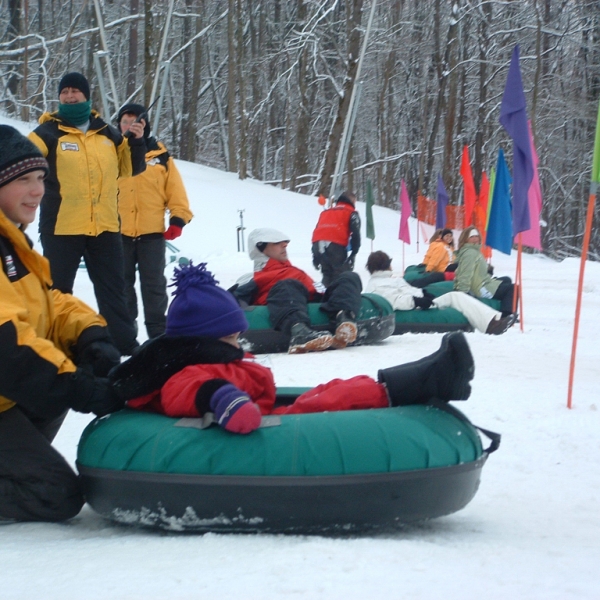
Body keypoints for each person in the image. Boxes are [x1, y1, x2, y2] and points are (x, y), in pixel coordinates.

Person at [112, 262, 475, 435]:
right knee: (332, 400)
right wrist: (224, 400)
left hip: (266, 406)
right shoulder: (188, 370)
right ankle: (423, 381)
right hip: (261, 422)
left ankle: (417, 378)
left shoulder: (212, 358)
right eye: (230, 339)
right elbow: (188, 390)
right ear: (201, 342)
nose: (238, 344)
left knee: (331, 389)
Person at [0, 126, 125, 523]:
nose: (37, 191)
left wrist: (91, 336)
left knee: (68, 370)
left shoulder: (13, 243)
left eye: (40, 179)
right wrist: (76, 388)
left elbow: (48, 304)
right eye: (23, 180)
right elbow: (6, 343)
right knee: (57, 496)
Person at [29, 72, 147, 356]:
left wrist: (137, 142)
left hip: (105, 227)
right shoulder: (46, 132)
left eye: (75, 91)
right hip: (62, 227)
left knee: (114, 291)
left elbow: (130, 168)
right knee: (57, 293)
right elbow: (24, 160)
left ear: (86, 95)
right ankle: (53, 346)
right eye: (65, 92)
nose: (69, 96)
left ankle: (124, 344)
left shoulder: (107, 133)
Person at [116, 103, 194, 339]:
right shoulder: (112, 152)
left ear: (144, 125)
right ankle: (126, 339)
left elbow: (176, 191)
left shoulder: (160, 155)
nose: (130, 126)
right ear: (119, 124)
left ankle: (158, 337)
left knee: (154, 288)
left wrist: (178, 219)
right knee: (121, 288)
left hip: (152, 234)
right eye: (125, 121)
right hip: (118, 234)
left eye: (135, 122)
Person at [231, 228, 362, 354]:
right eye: (277, 243)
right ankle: (299, 332)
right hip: (287, 304)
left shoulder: (293, 270)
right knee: (288, 285)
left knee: (349, 277)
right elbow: (232, 299)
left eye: (285, 243)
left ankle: (344, 320)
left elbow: (320, 289)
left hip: (318, 300)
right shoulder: (255, 278)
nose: (284, 245)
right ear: (261, 248)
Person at [365, 251, 516, 335]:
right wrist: (417, 301)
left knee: (455, 296)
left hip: (418, 302)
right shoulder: (377, 285)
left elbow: (407, 290)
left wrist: (423, 293)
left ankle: (496, 318)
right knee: (456, 297)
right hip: (414, 308)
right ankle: (491, 325)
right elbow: (393, 300)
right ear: (386, 265)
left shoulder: (388, 280)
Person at [454, 226, 517, 318]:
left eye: (476, 236)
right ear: (465, 239)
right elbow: (465, 273)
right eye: (471, 237)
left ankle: (500, 308)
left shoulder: (475, 251)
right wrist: (463, 293)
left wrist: (487, 269)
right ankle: (506, 315)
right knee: (513, 288)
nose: (475, 238)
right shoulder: (470, 253)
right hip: (480, 288)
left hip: (483, 281)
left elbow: (476, 270)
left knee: (506, 280)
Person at [311, 191, 361, 287]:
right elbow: (356, 234)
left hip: (318, 245)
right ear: (352, 201)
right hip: (336, 246)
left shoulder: (326, 212)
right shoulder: (351, 213)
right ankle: (338, 298)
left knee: (327, 275)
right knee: (340, 277)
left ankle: (324, 297)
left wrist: (315, 255)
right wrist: (354, 253)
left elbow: (318, 230)